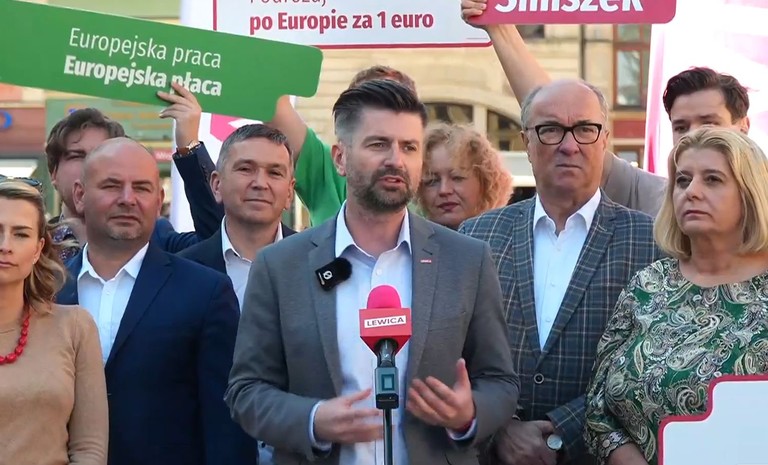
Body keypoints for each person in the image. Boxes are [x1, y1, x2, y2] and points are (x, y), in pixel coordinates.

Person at [225, 79, 519, 465]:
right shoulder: (280, 265)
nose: (395, 160)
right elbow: (246, 391)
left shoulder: (468, 260)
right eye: (378, 144)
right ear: (340, 158)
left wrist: (469, 414)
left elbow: (500, 382)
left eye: (409, 147)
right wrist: (313, 420)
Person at [460, 79, 661, 465]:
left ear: (605, 140)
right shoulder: (477, 235)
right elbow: (456, 350)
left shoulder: (650, 242)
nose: (569, 145)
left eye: (585, 129)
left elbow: (651, 364)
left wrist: (563, 430)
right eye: (550, 129)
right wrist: (501, 428)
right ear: (526, 142)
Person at [55, 138, 256, 465]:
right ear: (80, 195)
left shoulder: (205, 292)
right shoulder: (46, 291)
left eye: (142, 188)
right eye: (111, 185)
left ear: (159, 199)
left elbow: (227, 423)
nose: (127, 199)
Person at [460, 0, 752, 217]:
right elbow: (553, 112)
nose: (694, 136)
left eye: (709, 123)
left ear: (743, 127)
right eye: (681, 126)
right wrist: (499, 27)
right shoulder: (656, 198)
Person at [585, 128, 768, 465]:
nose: (691, 192)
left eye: (712, 180)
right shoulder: (649, 284)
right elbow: (598, 405)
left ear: (750, 193)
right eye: (683, 181)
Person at [0, 179, 108, 465]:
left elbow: (89, 448)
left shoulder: (74, 327)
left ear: (38, 249)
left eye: (20, 234)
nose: (5, 246)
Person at [45, 106, 221, 260]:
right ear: (54, 173)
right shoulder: (38, 240)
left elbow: (219, 241)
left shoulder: (157, 236)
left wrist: (188, 147)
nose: (90, 164)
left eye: (102, 154)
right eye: (77, 156)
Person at [267, 66, 417, 225]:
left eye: (397, 104)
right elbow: (269, 98)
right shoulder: (326, 170)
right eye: (372, 104)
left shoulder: (430, 181)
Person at [180, 123, 297, 305]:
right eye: (245, 169)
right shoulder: (181, 272)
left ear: (289, 192)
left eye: (274, 173)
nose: (260, 183)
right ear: (216, 185)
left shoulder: (319, 263)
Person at [417, 122, 513, 229]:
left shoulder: (509, 236)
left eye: (457, 178)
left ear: (485, 183)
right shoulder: (408, 238)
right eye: (432, 181)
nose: (444, 190)